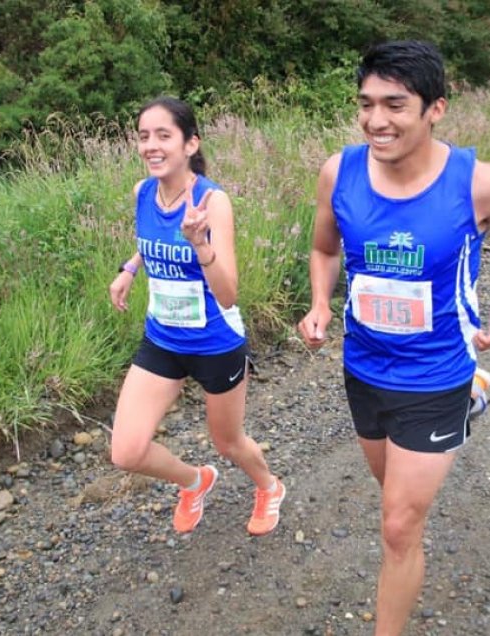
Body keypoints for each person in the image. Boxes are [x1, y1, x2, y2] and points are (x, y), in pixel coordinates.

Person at [297, 40, 490, 635]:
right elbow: (323, 247)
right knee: (393, 496)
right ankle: (457, 426)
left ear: (435, 108)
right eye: (366, 104)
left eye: (395, 105)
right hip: (363, 369)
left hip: (437, 374)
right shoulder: (340, 171)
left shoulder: (480, 183)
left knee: (396, 526)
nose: (376, 120)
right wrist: (318, 304)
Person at [108, 96, 284, 537]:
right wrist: (130, 268)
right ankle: (195, 480)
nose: (151, 145)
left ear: (190, 144)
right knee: (126, 452)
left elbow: (228, 294)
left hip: (215, 342)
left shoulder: (212, 202)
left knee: (228, 442)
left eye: (163, 136)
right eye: (144, 136)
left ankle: (268, 485)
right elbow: (154, 239)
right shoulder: (142, 192)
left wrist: (200, 243)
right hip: (163, 340)